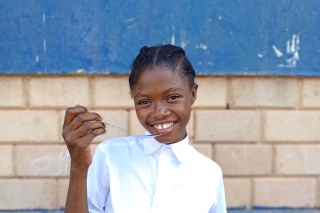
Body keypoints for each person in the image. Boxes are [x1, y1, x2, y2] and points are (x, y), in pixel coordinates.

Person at [63, 44, 226, 213]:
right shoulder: (111, 155)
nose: (159, 112)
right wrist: (79, 166)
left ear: (192, 94)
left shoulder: (209, 173)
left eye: (172, 97)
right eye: (144, 102)